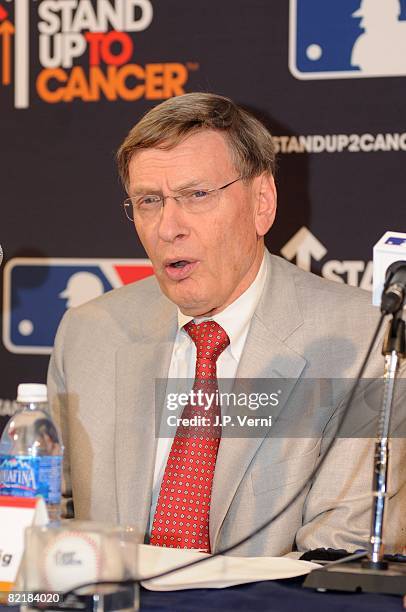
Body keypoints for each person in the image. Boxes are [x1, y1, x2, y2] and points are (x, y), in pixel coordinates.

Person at [47, 92, 406, 556]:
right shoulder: (88, 333)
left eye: (196, 195)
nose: (167, 227)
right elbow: (43, 522)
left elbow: (343, 556)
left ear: (262, 202)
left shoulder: (362, 340)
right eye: (149, 200)